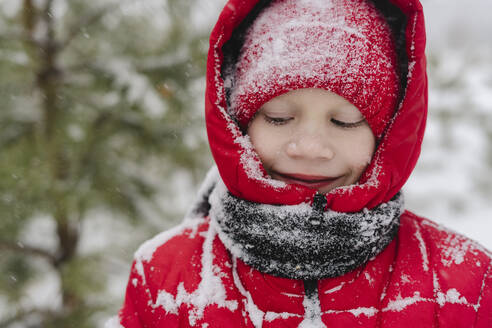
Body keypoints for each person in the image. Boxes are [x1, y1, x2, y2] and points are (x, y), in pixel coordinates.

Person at [107, 0, 492, 327]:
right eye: (278, 117)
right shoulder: (162, 277)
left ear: (386, 136)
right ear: (238, 125)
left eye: (344, 121)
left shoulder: (468, 284)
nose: (309, 148)